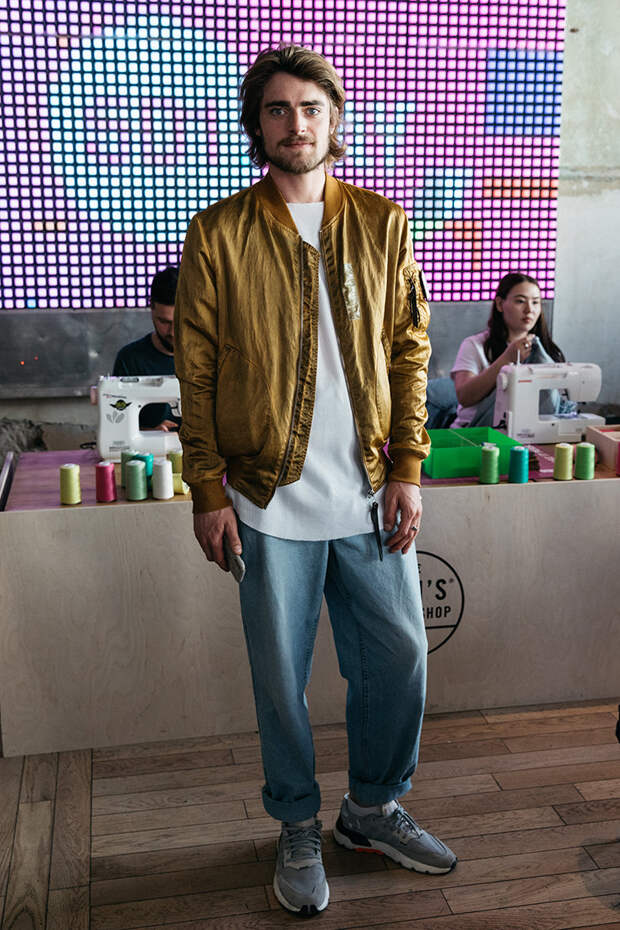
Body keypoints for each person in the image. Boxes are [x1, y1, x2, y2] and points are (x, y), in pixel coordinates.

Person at [174, 45, 456, 917]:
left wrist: (409, 467)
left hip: (368, 489)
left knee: (399, 658)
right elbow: (197, 371)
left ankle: (370, 810)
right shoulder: (219, 232)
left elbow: (410, 349)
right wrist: (207, 491)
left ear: (335, 121)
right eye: (277, 109)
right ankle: (296, 823)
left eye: (311, 108)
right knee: (280, 681)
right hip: (265, 497)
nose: (295, 123)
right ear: (257, 126)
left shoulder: (381, 221)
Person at [450, 272, 564, 428]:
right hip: (476, 433)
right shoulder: (474, 345)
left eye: (535, 302)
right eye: (520, 301)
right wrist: (506, 359)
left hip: (528, 432)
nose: (529, 309)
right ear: (499, 304)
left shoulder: (547, 351)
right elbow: (464, 396)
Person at [113, 266, 181, 430]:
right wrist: (151, 434)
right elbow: (118, 426)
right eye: (164, 322)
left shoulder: (210, 358)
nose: (172, 332)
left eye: (180, 322)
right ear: (151, 307)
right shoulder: (130, 359)